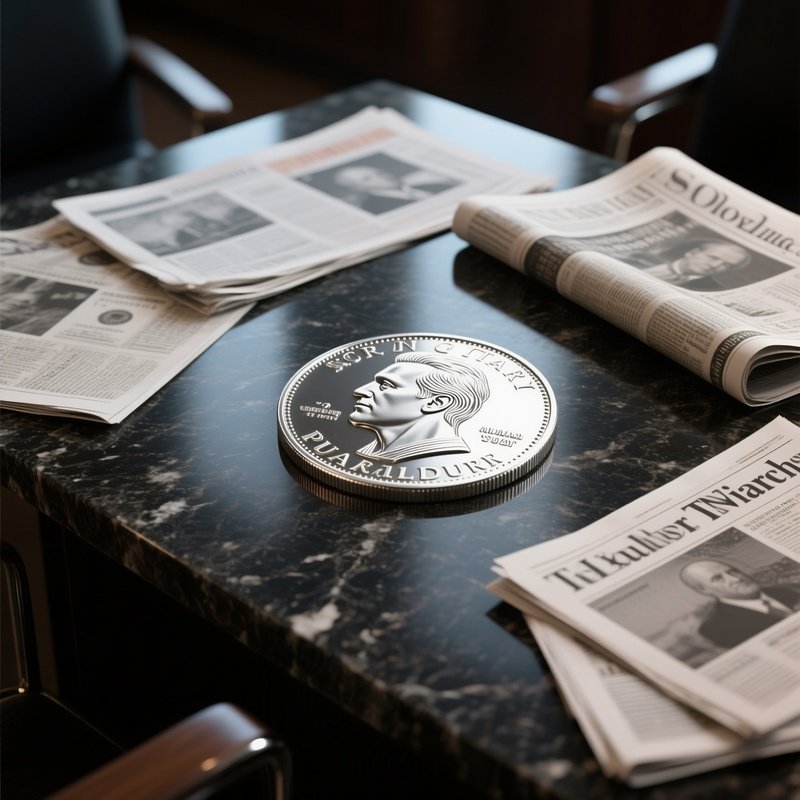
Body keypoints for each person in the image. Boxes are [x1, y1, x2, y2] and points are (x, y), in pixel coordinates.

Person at [349, 352, 490, 463]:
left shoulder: (441, 456)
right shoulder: (371, 452)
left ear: (436, 403)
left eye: (386, 385)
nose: (360, 390)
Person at [679, 559, 800, 649]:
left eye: (733, 572)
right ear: (703, 590)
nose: (736, 579)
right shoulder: (717, 628)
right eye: (718, 578)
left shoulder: (788, 590)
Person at [331, 164, 457, 214]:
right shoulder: (374, 208)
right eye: (367, 178)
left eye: (378, 171)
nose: (380, 176)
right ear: (357, 188)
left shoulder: (432, 183)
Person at [642, 241, 750, 290]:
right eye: (713, 257)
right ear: (692, 252)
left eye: (726, 265)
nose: (715, 265)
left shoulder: (712, 289)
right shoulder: (639, 258)